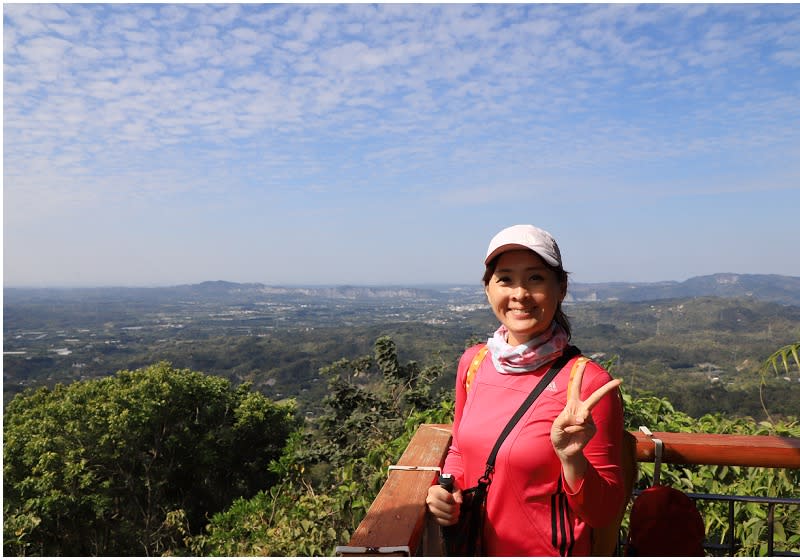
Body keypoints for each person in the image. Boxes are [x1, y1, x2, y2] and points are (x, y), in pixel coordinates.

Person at [426, 224, 626, 556]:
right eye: (505, 279)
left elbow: (604, 512)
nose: (519, 294)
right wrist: (447, 491)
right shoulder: (474, 363)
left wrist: (572, 459)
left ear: (560, 288)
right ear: (488, 289)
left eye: (535, 278)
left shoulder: (586, 383)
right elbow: (461, 449)